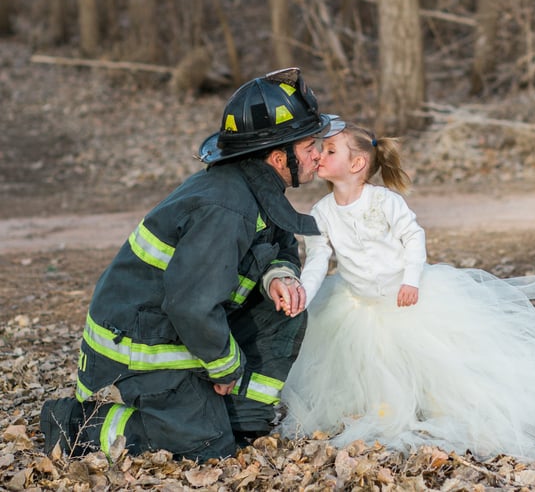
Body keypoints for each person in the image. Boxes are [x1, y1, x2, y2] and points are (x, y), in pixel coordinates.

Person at [40, 68, 330, 463]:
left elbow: (278, 242)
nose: (319, 154)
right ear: (279, 157)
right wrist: (225, 367)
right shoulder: (226, 207)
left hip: (178, 327)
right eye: (311, 145)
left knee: (286, 311)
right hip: (139, 345)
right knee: (205, 447)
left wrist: (278, 275)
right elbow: (190, 305)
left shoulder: (256, 187)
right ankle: (74, 423)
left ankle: (240, 418)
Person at [280, 119, 535, 462]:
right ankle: (389, 408)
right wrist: (304, 296)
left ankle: (439, 406)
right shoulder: (322, 213)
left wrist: (411, 280)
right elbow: (317, 260)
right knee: (371, 365)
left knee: (430, 357)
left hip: (406, 296)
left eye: (329, 150)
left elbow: (414, 238)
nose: (319, 155)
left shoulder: (384, 202)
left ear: (356, 164)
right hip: (358, 303)